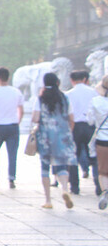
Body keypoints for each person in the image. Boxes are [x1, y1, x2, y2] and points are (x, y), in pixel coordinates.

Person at [32, 73, 78, 210]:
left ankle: (48, 200)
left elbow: (35, 118)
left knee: (45, 167)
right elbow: (71, 118)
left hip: (45, 137)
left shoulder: (40, 99)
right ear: (58, 82)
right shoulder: (64, 98)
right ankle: (65, 189)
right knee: (62, 165)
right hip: (63, 136)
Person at [66, 70, 97, 195]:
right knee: (94, 156)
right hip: (90, 126)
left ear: (72, 80)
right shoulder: (93, 92)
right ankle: (98, 185)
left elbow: (67, 113)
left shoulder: (68, 94)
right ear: (84, 79)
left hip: (75, 126)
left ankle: (74, 186)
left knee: (73, 156)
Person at [86, 75, 108, 210]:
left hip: (103, 138)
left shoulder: (96, 101)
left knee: (103, 170)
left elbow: (90, 121)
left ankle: (105, 192)